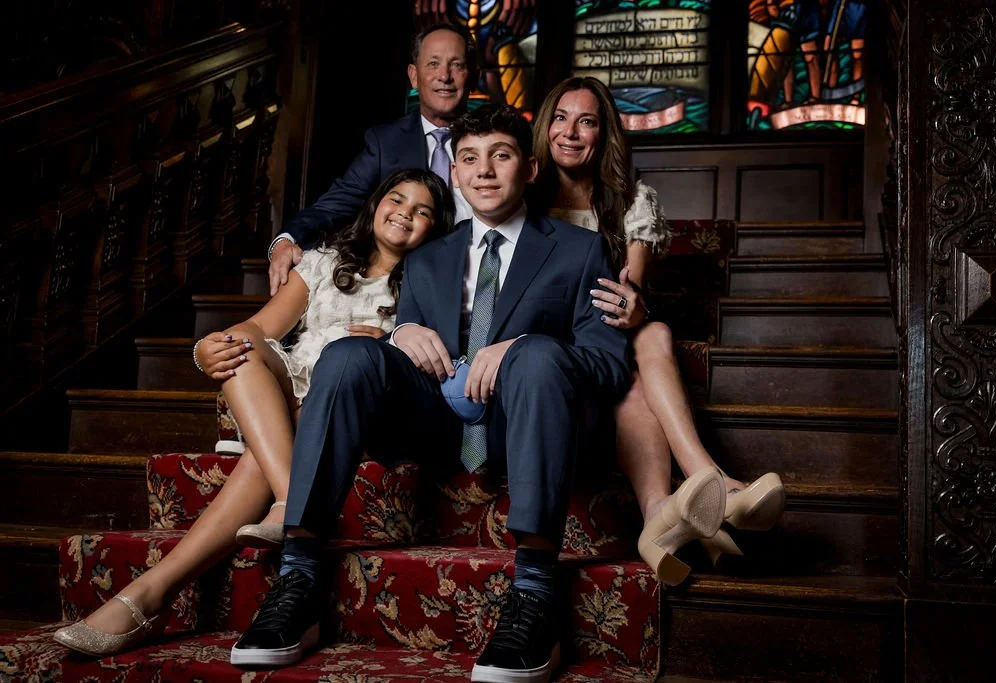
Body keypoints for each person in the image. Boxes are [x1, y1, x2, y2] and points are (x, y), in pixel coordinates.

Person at [227, 104, 643, 683]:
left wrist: (521, 347)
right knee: (347, 356)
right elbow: (407, 352)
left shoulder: (580, 249)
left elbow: (607, 365)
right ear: (454, 172)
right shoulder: (427, 255)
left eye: (500, 156)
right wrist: (400, 333)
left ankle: (535, 591)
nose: (484, 171)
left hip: (525, 424)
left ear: (528, 168)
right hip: (436, 425)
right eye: (469, 159)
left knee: (538, 355)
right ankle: (299, 576)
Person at [52, 169, 454, 657]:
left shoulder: (431, 280)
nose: (405, 214)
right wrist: (205, 349)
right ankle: (289, 495)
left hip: (352, 407)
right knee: (240, 342)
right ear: (375, 204)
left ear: (436, 226)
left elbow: (435, 359)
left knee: (280, 441)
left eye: (421, 211)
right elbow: (258, 328)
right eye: (396, 199)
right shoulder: (324, 262)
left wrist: (390, 342)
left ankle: (148, 594)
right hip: (294, 386)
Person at [531, 77, 786, 585]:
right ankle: (711, 486)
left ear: (604, 134)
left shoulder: (631, 200)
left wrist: (633, 309)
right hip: (547, 347)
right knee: (639, 369)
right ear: (544, 127)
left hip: (607, 338)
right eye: (560, 118)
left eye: (587, 122)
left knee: (651, 333)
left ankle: (666, 508)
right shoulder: (524, 195)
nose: (570, 132)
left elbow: (630, 289)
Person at [267, 22, 476, 296]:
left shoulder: (492, 140)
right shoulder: (385, 143)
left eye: (457, 65)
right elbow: (333, 205)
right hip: (404, 285)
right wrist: (285, 241)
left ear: (472, 75)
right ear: (414, 76)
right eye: (433, 64)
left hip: (475, 276)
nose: (444, 76)